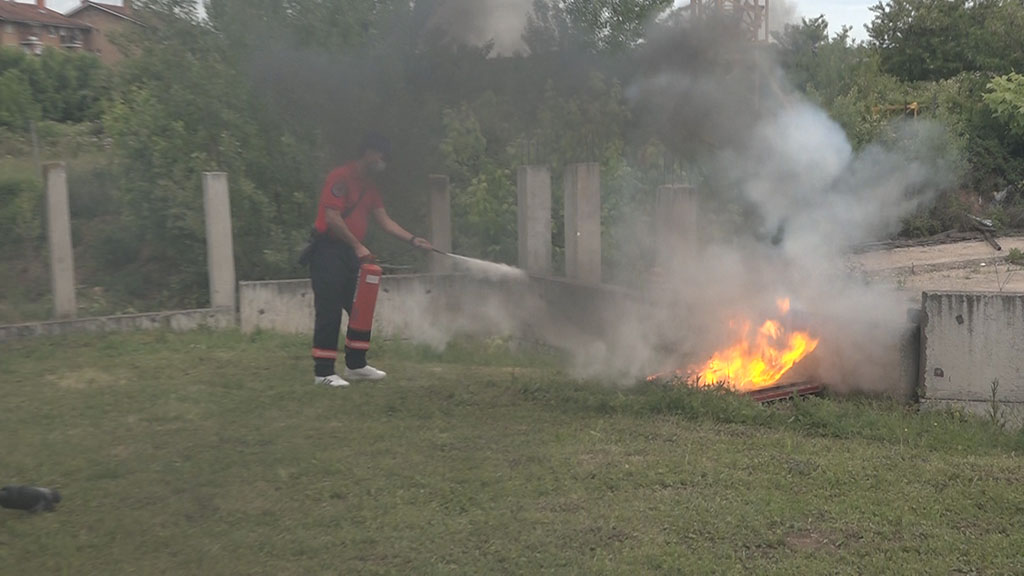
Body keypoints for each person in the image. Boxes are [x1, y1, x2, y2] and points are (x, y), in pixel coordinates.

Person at [308, 133, 433, 387]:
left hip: (350, 254)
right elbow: (332, 218)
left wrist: (413, 239)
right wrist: (358, 246)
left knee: (359, 309)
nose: (383, 162)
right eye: (381, 156)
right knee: (329, 311)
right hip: (328, 251)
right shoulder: (340, 178)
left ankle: (356, 365)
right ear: (368, 153)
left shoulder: (370, 187)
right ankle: (323, 373)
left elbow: (385, 221)